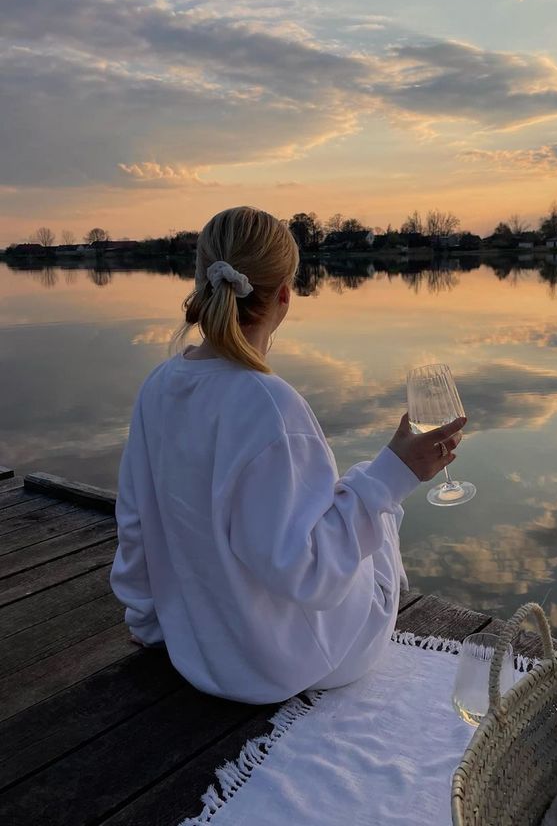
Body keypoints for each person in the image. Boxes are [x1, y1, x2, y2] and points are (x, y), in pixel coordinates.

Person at [110, 206, 466, 704]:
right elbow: (309, 574)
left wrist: (150, 624)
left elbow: (136, 522)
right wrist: (396, 473)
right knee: (375, 510)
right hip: (287, 663)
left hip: (199, 653)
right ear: (283, 295)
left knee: (359, 500)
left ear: (199, 282)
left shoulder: (159, 385)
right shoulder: (270, 406)